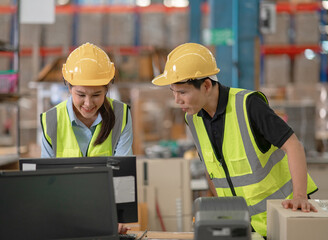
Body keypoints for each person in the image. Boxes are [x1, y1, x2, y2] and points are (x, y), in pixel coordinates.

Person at [152, 42, 318, 237]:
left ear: (206, 85)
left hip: (283, 217)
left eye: (182, 92)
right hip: (243, 226)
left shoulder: (249, 105)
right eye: (173, 92)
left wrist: (299, 197)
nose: (177, 100)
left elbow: (293, 145)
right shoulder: (193, 119)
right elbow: (211, 168)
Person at [40, 42, 132, 234]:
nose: (88, 103)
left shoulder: (121, 115)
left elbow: (124, 172)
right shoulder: (51, 120)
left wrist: (119, 217)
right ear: (69, 87)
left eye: (97, 94)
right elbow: (45, 180)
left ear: (107, 89)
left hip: (107, 215)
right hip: (62, 216)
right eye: (80, 94)